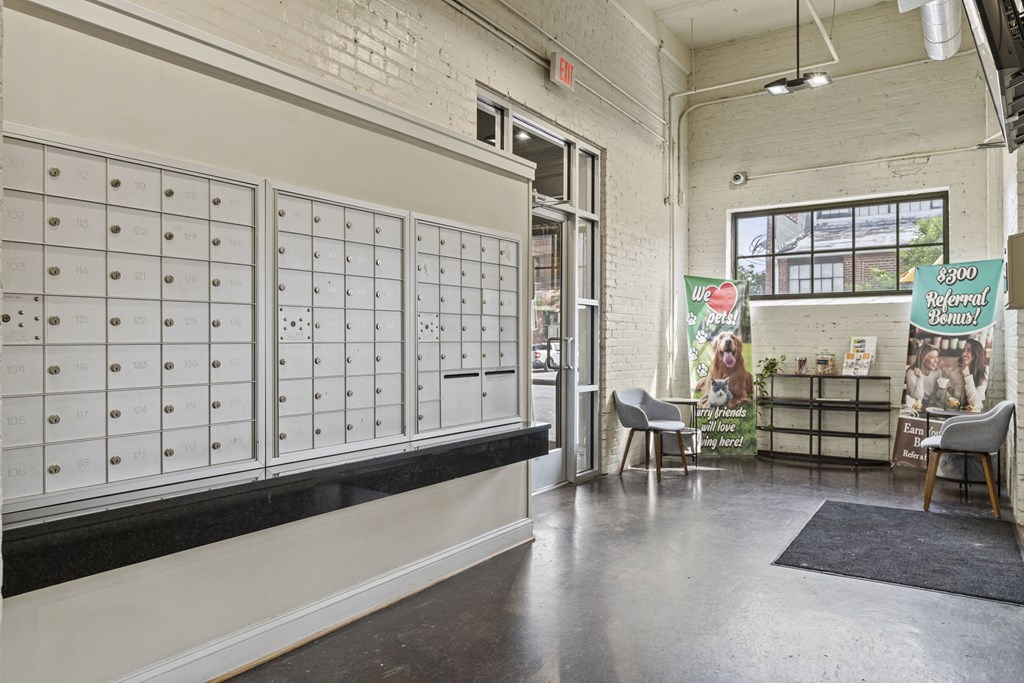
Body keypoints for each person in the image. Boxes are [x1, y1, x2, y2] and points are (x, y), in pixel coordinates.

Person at [905, 343, 940, 409]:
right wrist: (920, 378)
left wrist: (942, 389)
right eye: (932, 357)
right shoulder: (912, 372)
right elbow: (917, 398)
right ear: (923, 358)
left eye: (937, 357)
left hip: (931, 408)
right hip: (915, 408)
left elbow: (937, 398)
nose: (936, 360)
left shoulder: (937, 372)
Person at [958, 338, 988, 411]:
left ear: (976, 353)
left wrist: (967, 377)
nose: (964, 354)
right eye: (963, 350)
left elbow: (976, 404)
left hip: (972, 417)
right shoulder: (958, 370)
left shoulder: (984, 371)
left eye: (969, 350)